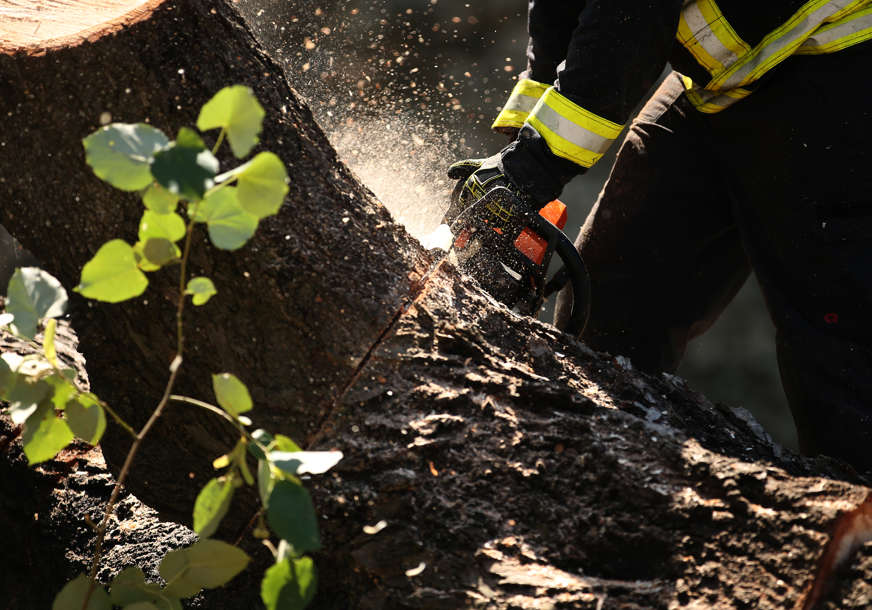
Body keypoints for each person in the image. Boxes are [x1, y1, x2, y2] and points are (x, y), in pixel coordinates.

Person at [448, 2, 872, 471]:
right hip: (720, 81)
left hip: (845, 66)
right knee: (609, 307)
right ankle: (590, 486)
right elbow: (563, 10)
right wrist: (512, 157)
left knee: (842, 349)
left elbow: (630, 19)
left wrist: (534, 166)